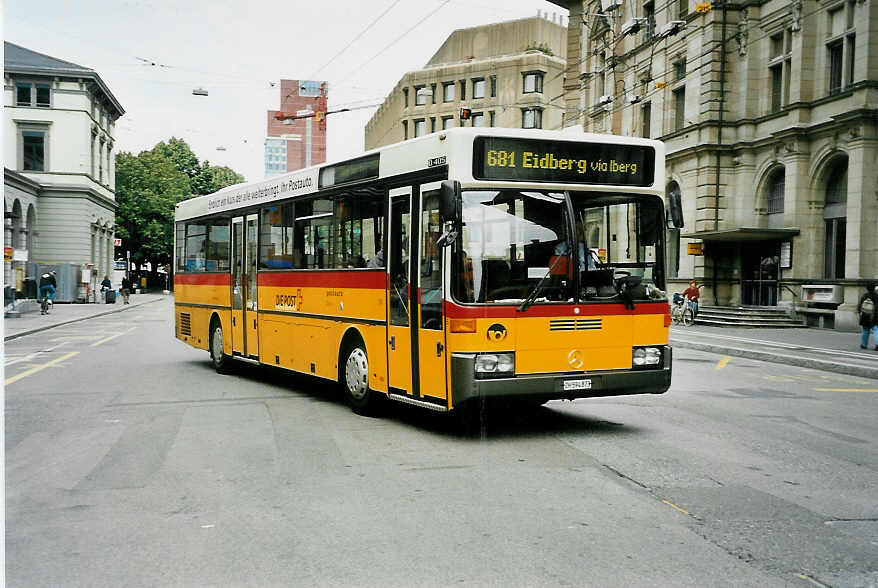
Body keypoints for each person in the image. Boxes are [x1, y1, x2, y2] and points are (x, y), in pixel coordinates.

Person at [856, 281, 877, 350]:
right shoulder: (877, 296)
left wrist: (859, 312)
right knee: (876, 330)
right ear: (874, 288)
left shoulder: (865, 295)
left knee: (865, 330)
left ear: (867, 288)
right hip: (875, 315)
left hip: (865, 315)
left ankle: (863, 345)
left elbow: (860, 305)